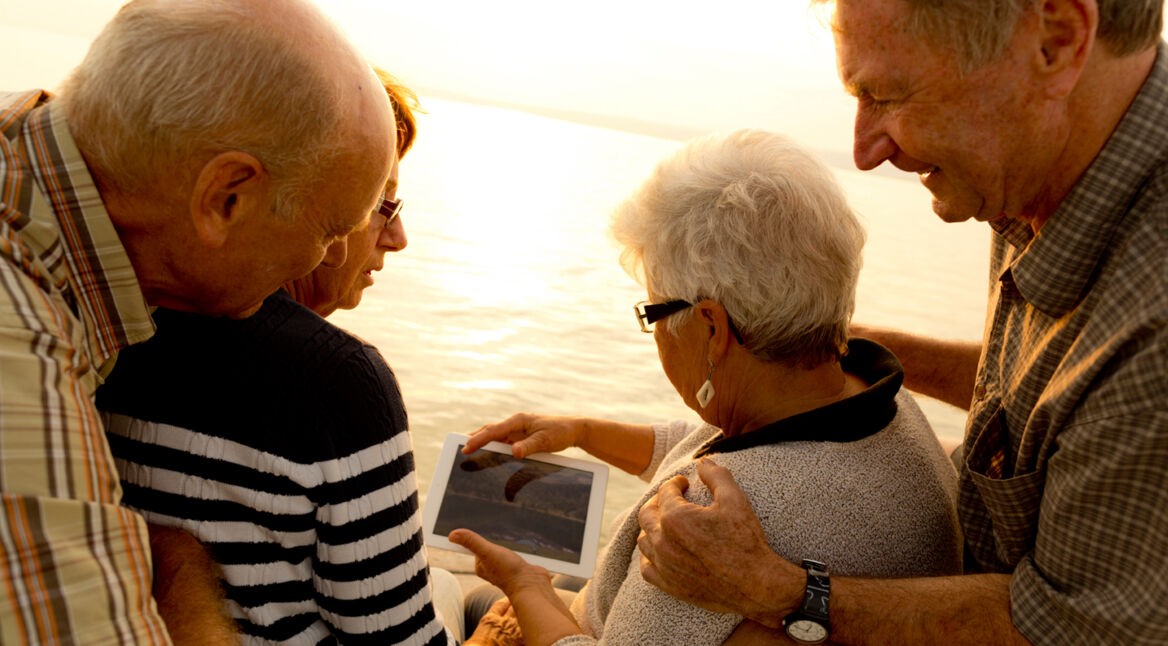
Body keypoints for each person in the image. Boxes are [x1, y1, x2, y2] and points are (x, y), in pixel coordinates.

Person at [636, 1, 1168, 644]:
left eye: (885, 94)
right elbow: (1065, 393)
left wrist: (779, 590)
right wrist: (818, 343)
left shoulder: (1154, 330)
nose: (864, 151)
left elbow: (1065, 630)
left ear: (1055, 39)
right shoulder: (1035, 167)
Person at [449, 129, 963, 646]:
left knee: (463, 600)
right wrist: (582, 430)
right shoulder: (886, 403)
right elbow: (715, 450)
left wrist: (524, 585)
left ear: (712, 327)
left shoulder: (706, 533)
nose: (654, 333)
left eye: (653, 311)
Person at [0, 0, 396, 643]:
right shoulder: (20, 339)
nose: (323, 260)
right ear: (225, 197)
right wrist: (176, 574)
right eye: (328, 232)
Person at [95, 71, 463, 645]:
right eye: (381, 205)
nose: (397, 237)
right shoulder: (337, 383)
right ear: (318, 201)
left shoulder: (105, 316)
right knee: (474, 596)